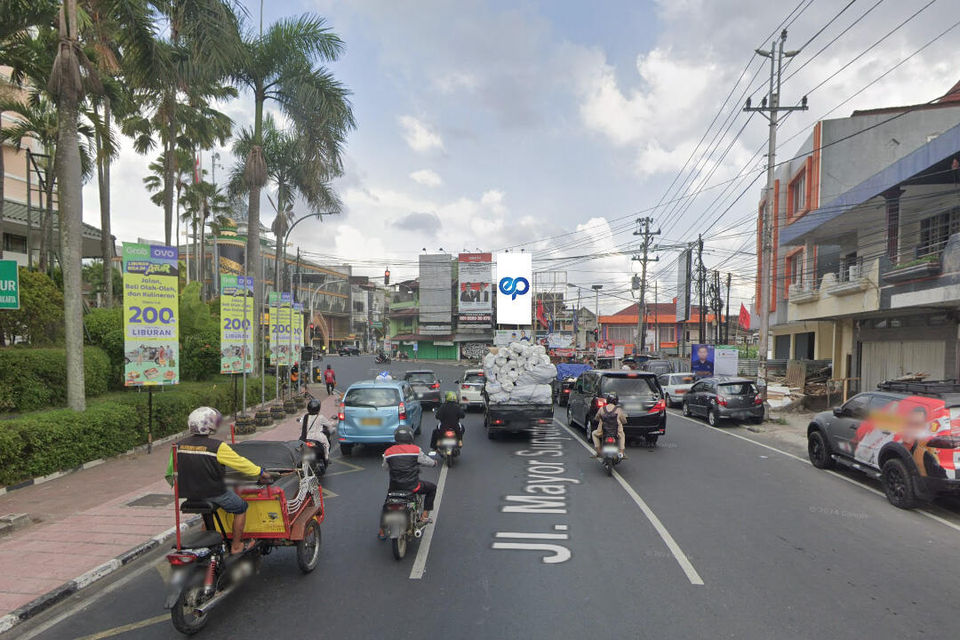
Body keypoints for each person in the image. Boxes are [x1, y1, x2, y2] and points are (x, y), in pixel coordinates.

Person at [165, 407, 274, 555]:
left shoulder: (177, 446)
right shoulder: (217, 447)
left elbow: (170, 474)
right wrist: (260, 472)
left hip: (190, 495)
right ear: (210, 426)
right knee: (241, 507)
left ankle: (209, 542)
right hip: (214, 493)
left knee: (208, 512)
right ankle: (236, 545)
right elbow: (241, 463)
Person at [379, 427, 437, 539]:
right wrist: (434, 463)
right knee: (432, 488)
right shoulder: (415, 450)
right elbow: (427, 462)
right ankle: (424, 516)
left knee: (387, 504)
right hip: (413, 487)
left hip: (394, 488)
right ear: (410, 437)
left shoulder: (388, 452)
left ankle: (382, 531)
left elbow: (385, 467)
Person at [591, 392, 627, 458]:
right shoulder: (618, 409)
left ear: (607, 400)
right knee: (622, 435)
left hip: (603, 432)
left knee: (594, 433)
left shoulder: (602, 408)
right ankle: (621, 452)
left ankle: (598, 451)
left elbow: (596, 418)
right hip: (616, 432)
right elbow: (624, 421)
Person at [299, 398, 334, 466]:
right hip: (317, 437)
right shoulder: (320, 417)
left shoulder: (305, 416)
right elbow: (329, 425)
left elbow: (301, 421)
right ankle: (326, 458)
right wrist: (331, 425)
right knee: (327, 444)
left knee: (299, 446)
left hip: (306, 437)